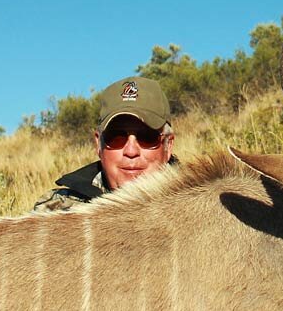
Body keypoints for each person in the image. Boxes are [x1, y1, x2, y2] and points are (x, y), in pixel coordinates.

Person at [33, 76, 178, 212]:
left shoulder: (195, 211)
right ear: (98, 144)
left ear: (168, 145)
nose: (131, 151)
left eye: (147, 137)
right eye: (116, 137)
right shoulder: (57, 210)